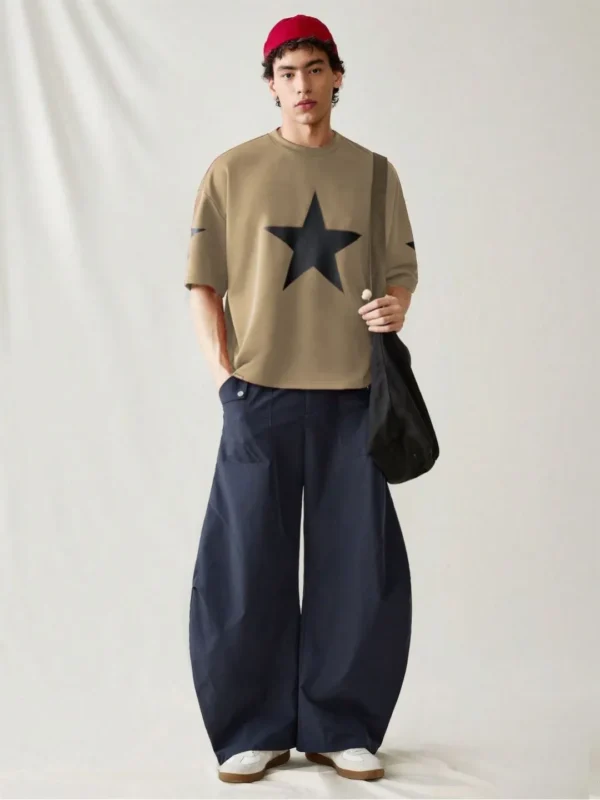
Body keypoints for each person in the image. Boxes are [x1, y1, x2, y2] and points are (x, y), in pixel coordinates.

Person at [185, 14, 418, 784]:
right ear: (271, 85)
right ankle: (249, 728)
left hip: (355, 399)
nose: (303, 85)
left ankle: (340, 725)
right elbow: (203, 284)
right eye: (287, 73)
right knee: (245, 564)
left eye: (315, 69)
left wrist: (393, 310)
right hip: (259, 397)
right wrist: (226, 378)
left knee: (357, 567)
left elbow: (398, 275)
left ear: (337, 77)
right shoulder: (232, 171)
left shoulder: (375, 173)